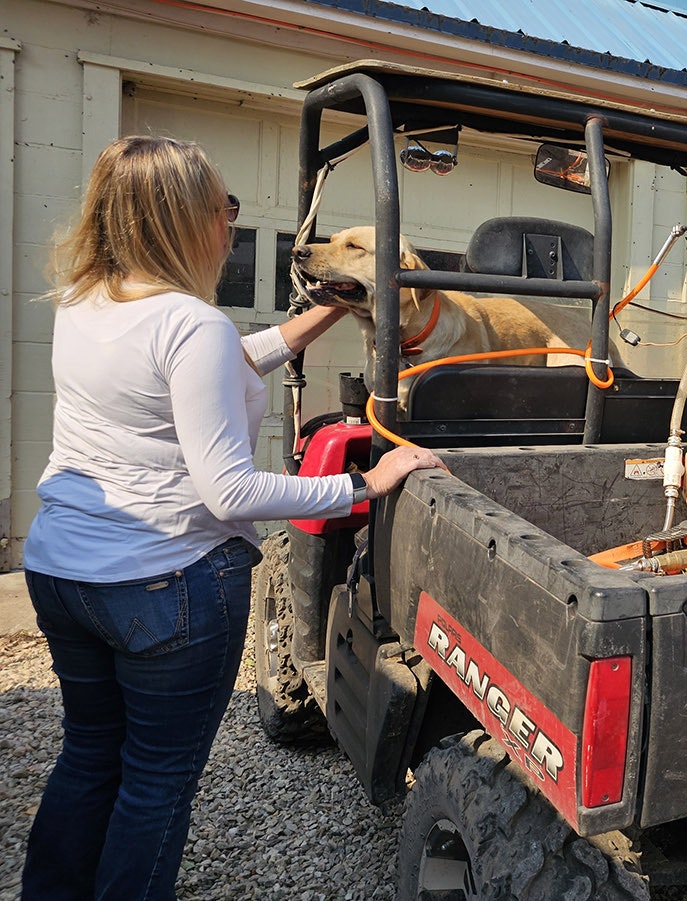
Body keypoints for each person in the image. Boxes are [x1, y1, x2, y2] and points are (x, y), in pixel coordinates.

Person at [21, 135, 443, 901]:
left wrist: (314, 318)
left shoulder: (87, 300)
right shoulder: (192, 325)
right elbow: (231, 494)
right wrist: (364, 483)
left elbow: (203, 368)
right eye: (225, 208)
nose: (232, 224)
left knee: (89, 758)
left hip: (63, 571)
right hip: (163, 586)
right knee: (155, 784)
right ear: (182, 218)